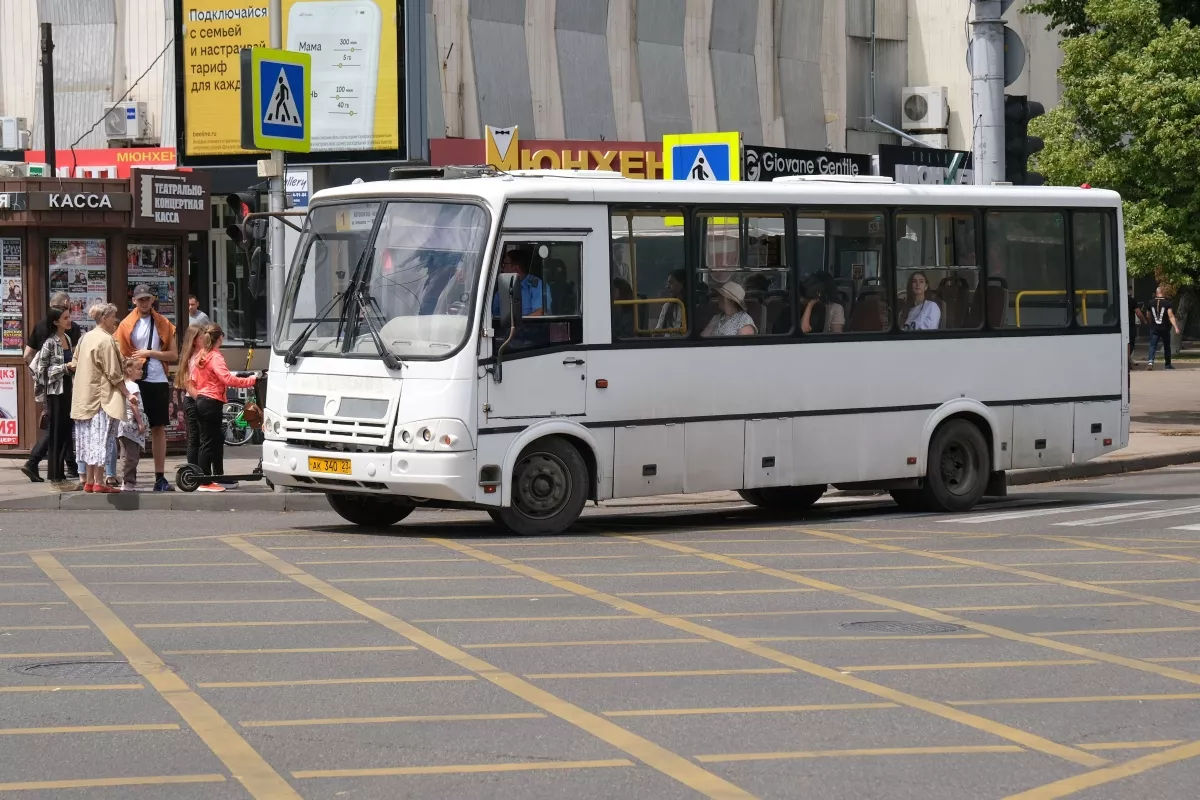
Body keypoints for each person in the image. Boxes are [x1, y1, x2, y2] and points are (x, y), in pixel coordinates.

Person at [116, 284, 178, 492]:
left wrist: (150, 353)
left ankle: (159, 477)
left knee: (158, 428)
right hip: (135, 379)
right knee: (130, 429)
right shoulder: (125, 325)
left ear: (153, 300)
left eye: (147, 299)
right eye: (140, 299)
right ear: (133, 301)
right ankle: (128, 478)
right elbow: (121, 354)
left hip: (158, 379)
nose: (144, 302)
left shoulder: (164, 323)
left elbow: (173, 355)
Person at [21, 293, 83, 483]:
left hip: (67, 390)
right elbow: (41, 370)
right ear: (56, 320)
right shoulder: (49, 342)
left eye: (69, 316)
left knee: (64, 430)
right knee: (55, 431)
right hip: (55, 392)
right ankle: (52, 472)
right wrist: (62, 369)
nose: (70, 319)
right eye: (66, 317)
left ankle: (63, 472)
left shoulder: (67, 337)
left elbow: (28, 356)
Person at [71, 304, 129, 494]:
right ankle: (99, 481)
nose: (115, 321)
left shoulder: (85, 338)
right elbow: (113, 373)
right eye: (113, 317)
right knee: (102, 440)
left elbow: (75, 363)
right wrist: (128, 395)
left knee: (87, 440)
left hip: (83, 398)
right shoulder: (106, 340)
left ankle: (89, 481)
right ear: (105, 318)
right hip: (101, 399)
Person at [191, 324, 256, 492]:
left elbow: (197, 378)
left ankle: (212, 477)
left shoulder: (202, 355)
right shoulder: (215, 356)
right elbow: (227, 379)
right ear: (220, 338)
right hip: (212, 401)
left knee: (211, 439)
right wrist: (251, 381)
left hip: (201, 399)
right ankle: (205, 481)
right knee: (209, 442)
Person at [175, 324, 207, 467]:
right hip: (194, 399)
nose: (205, 340)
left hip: (199, 398)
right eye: (202, 338)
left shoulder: (202, 354)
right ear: (194, 340)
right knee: (195, 437)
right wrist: (201, 400)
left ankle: (199, 469)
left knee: (201, 437)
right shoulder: (193, 358)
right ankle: (194, 470)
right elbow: (188, 383)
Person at [117, 358, 148, 492]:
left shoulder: (124, 385)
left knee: (125, 454)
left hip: (123, 424)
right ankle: (128, 481)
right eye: (138, 369)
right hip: (131, 424)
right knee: (132, 455)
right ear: (129, 370)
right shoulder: (133, 386)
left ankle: (125, 480)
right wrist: (140, 422)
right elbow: (134, 405)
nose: (141, 371)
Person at [1145, 284, 1181, 370]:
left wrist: (1150, 322)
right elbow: (1171, 316)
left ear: (1157, 293)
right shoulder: (1167, 303)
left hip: (1154, 328)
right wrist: (1176, 327)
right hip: (1165, 328)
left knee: (1152, 345)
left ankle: (1150, 361)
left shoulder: (1150, 302)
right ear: (1163, 293)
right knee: (1166, 346)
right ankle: (1167, 364)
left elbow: (1148, 315)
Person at [655, 269, 687, 333]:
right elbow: (658, 329)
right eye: (668, 283)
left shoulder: (693, 307)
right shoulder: (667, 306)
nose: (668, 287)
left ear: (682, 284)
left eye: (671, 283)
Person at [1127, 284, 1145, 370]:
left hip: (1121, 327)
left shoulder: (1118, 299)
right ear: (1130, 291)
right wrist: (1143, 321)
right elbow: (1138, 313)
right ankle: (1127, 361)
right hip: (1130, 325)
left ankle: (1127, 361)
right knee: (1130, 344)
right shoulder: (1132, 301)